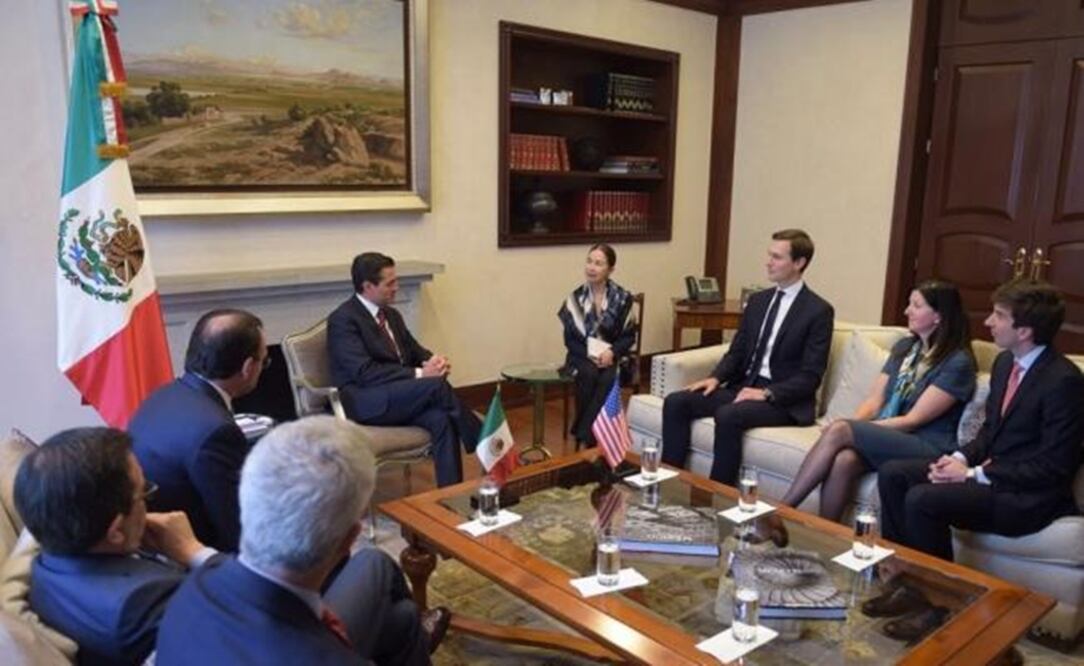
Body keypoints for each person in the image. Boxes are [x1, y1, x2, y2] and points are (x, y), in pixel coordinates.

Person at [156, 416, 447, 665]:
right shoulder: (330, 659)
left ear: (247, 498)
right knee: (392, 596)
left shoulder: (189, 591)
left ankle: (415, 629)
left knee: (401, 614)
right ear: (349, 538)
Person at [878, 279, 1084, 562]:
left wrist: (971, 475)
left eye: (999, 316)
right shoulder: (1004, 364)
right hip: (991, 477)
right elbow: (991, 431)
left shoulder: (1064, 381)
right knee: (893, 474)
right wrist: (960, 458)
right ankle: (894, 571)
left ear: (1024, 331)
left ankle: (937, 594)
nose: (988, 322)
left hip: (1027, 497)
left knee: (922, 500)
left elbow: (1053, 467)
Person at [762, 281, 977, 545]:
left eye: (916, 305)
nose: (907, 311)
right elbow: (874, 401)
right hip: (893, 437)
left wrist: (852, 430)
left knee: (842, 429)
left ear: (939, 316)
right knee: (845, 460)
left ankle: (783, 510)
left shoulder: (957, 362)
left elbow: (914, 420)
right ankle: (825, 539)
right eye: (909, 303)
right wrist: (857, 427)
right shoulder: (905, 349)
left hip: (928, 446)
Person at [14, 427, 223, 665]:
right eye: (144, 492)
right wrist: (195, 552)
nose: (147, 502)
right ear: (115, 531)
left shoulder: (46, 564)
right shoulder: (149, 601)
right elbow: (253, 623)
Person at [661, 229, 834, 485]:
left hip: (782, 401)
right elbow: (738, 350)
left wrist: (766, 394)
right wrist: (716, 378)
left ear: (799, 263)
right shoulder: (758, 301)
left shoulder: (818, 311)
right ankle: (667, 484)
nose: (768, 262)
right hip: (744, 387)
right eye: (769, 255)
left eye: (777, 257)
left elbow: (811, 377)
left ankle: (716, 498)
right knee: (677, 402)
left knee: (729, 415)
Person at [328, 252, 481, 486]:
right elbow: (365, 373)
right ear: (367, 286)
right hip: (366, 403)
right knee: (435, 387)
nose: (397, 287)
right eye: (390, 283)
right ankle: (486, 441)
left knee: (442, 419)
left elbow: (414, 351)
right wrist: (420, 374)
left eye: (396, 281)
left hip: (399, 396)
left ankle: (449, 496)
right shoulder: (343, 320)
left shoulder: (391, 315)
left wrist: (434, 361)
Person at [129, 308, 268, 552]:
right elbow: (237, 530)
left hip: (148, 538)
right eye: (264, 361)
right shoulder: (216, 431)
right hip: (192, 555)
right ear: (247, 367)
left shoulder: (163, 395)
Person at [558, 243, 637, 447]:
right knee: (589, 373)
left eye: (599, 263)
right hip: (581, 356)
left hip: (614, 356)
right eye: (589, 261)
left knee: (608, 377)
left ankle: (583, 431)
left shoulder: (622, 298)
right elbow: (569, 340)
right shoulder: (575, 298)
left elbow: (628, 337)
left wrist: (611, 352)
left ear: (610, 270)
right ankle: (592, 436)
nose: (592, 267)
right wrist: (589, 355)